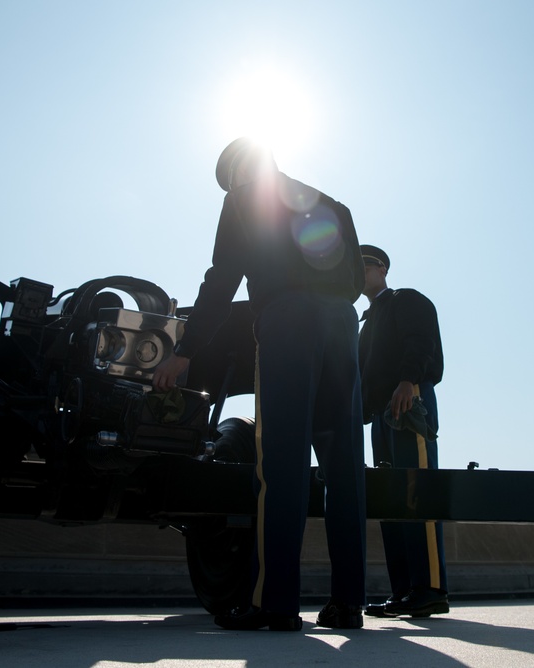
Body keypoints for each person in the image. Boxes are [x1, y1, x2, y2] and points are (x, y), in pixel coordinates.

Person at [153, 138, 368, 631]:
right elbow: (355, 280)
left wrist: (186, 350)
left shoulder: (242, 199)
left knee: (281, 463)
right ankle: (347, 603)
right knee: (345, 472)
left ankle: (275, 603)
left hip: (288, 323)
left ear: (237, 171)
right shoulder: (334, 206)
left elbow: (222, 275)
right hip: (341, 327)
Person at [357, 244, 449, 618]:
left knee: (418, 491)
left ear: (381, 268)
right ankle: (403, 592)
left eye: (361, 264)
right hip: (381, 415)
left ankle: (429, 589)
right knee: (390, 501)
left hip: (409, 402)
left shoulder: (405, 299)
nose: (356, 271)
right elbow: (364, 375)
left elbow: (421, 341)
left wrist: (409, 380)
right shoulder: (366, 320)